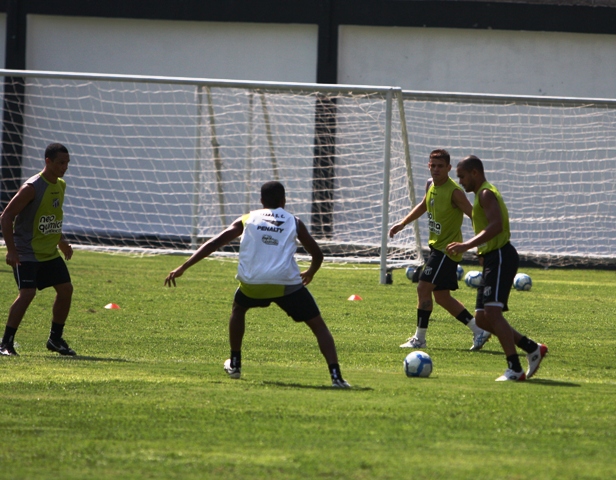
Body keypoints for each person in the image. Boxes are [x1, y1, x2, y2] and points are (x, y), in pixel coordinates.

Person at [164, 181, 350, 388]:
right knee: (318, 326)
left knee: (239, 308)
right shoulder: (294, 222)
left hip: (253, 283)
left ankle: (235, 364)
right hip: (285, 283)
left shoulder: (248, 218)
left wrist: (184, 266)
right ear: (284, 200)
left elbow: (215, 242)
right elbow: (317, 254)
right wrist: (311, 273)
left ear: (261, 201)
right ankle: (336, 377)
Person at [446, 155, 548, 381]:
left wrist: (466, 245)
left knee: (493, 313)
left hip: (501, 256)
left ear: (475, 173)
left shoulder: (485, 193)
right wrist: (481, 254)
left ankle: (514, 368)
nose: (460, 181)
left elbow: (496, 225)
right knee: (482, 319)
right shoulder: (480, 194)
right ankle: (532, 348)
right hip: (492, 258)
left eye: (462, 176)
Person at [389, 149, 490, 351]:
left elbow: (474, 216)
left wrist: (482, 245)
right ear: (428, 166)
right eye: (433, 165)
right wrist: (402, 223)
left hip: (447, 250)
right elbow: (424, 204)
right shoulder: (430, 185)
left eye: (440, 166)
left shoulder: (455, 192)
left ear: (449, 169)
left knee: (423, 288)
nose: (436, 169)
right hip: (437, 248)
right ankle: (479, 331)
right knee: (442, 297)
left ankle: (420, 338)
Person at [0, 143, 76, 356]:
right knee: (27, 293)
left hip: (49, 253)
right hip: (26, 252)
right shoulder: (31, 187)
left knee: (66, 289)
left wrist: (61, 241)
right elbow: (6, 217)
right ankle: (6, 343)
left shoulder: (60, 185)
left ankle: (55, 339)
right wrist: (11, 250)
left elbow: (51, 218)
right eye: (61, 163)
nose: (65, 167)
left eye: (67, 163)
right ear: (48, 162)